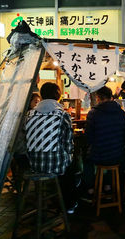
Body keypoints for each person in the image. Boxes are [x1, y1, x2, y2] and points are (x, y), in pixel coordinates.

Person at [25, 83, 77, 213]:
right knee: (71, 165)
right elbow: (68, 144)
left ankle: (54, 197)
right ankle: (68, 205)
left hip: (34, 165)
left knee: (64, 159)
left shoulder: (29, 114)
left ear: (42, 96)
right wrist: (69, 157)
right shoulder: (62, 115)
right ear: (59, 96)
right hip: (55, 166)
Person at [83, 86, 125, 199]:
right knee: (111, 156)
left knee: (87, 160)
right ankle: (107, 186)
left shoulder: (93, 113)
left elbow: (88, 137)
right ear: (110, 97)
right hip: (118, 154)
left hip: (100, 155)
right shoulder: (121, 112)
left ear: (98, 98)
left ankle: (91, 189)